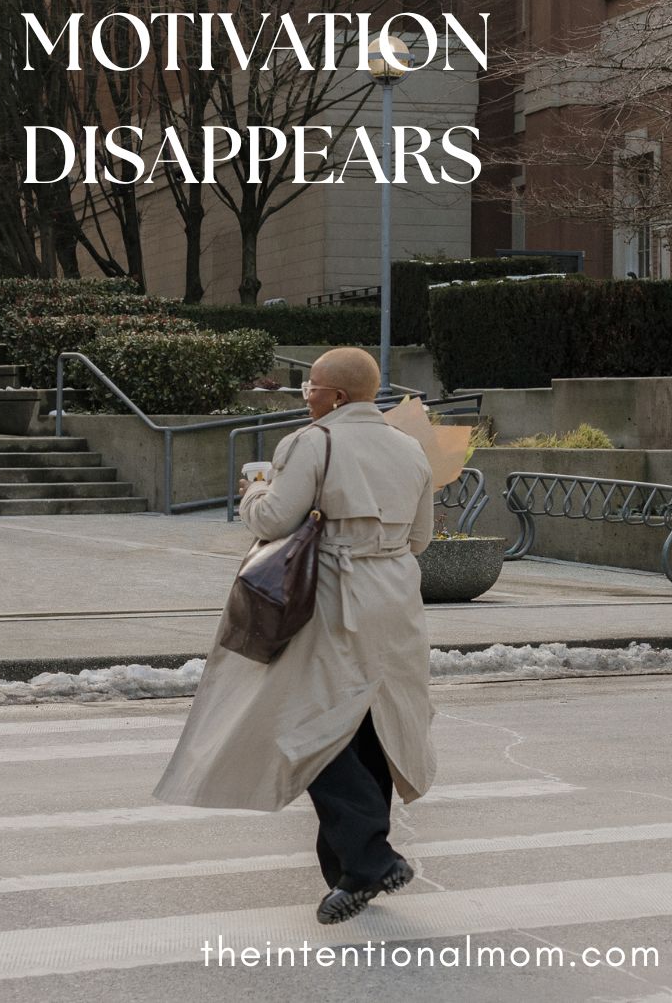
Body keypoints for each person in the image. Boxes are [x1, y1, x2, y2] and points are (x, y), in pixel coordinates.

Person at [151, 347, 436, 925]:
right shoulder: (410, 448)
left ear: (335, 395)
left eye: (310, 388)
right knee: (365, 723)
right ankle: (353, 871)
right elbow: (422, 537)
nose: (305, 396)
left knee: (302, 726)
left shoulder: (311, 442)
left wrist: (254, 489)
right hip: (396, 595)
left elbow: (273, 520)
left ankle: (370, 858)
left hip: (332, 598)